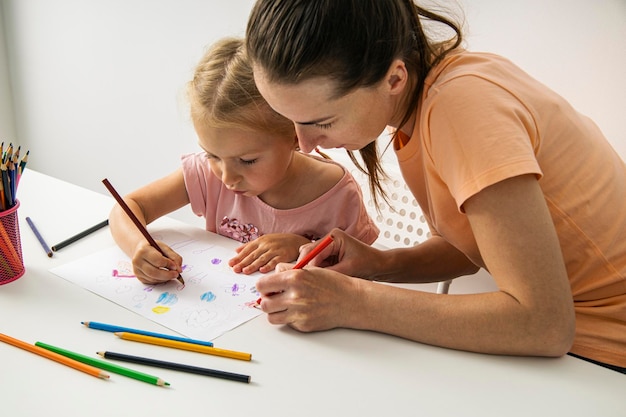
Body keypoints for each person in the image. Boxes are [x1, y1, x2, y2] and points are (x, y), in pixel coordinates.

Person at [245, 0, 626, 373]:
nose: (305, 144)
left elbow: (544, 325)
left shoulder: (462, 107)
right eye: (290, 120)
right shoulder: (425, 95)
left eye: (321, 122)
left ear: (394, 78)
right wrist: (379, 264)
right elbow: (471, 246)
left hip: (605, 353)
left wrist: (353, 302)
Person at [108, 37, 379, 285]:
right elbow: (129, 207)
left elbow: (364, 275)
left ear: (296, 136)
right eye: (213, 155)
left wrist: (301, 247)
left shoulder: (338, 196)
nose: (227, 177)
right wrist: (139, 247)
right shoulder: (207, 174)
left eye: (247, 160)